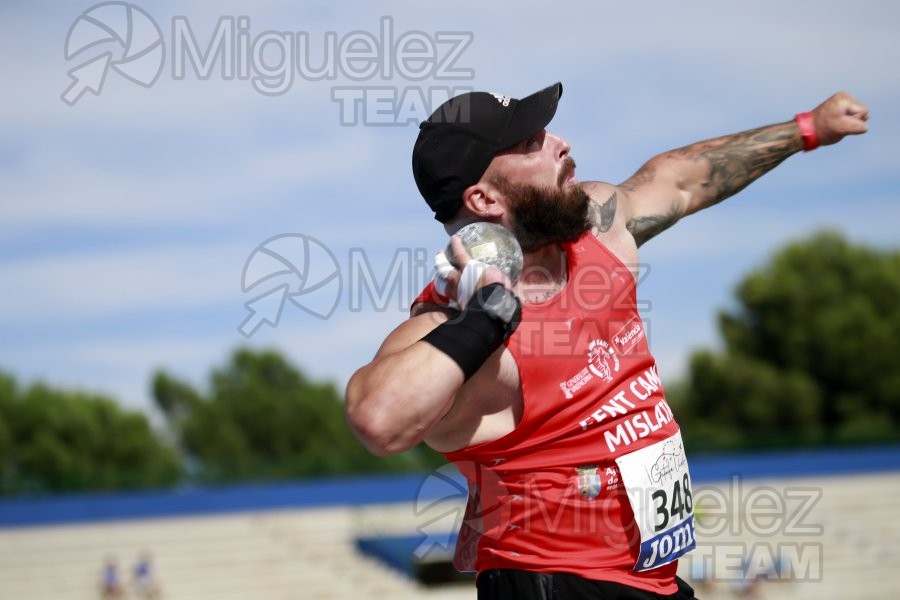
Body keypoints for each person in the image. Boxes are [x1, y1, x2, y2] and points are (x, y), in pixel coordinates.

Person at [345, 83, 868, 599]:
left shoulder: (593, 229)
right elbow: (378, 419)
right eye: (531, 144)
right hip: (552, 584)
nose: (561, 143)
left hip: (649, 580)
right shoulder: (453, 324)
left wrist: (808, 129)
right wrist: (488, 318)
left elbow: (680, 181)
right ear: (483, 197)